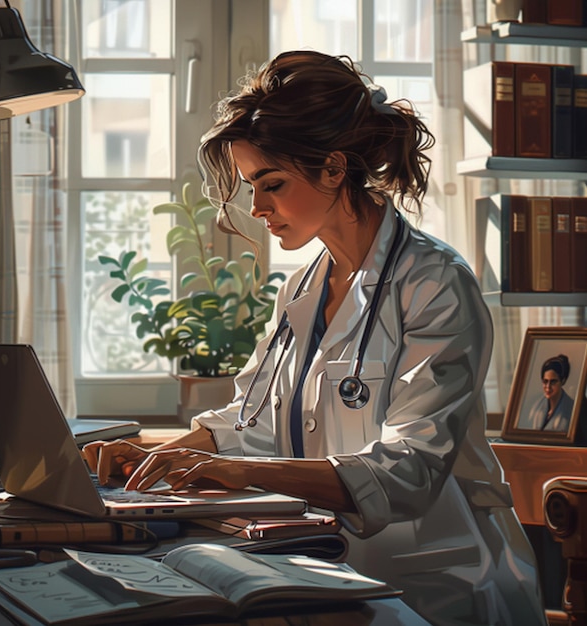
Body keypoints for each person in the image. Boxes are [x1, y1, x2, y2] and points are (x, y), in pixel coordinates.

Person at [85, 51, 547, 626]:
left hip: (437, 583)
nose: (257, 209)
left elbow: (408, 471)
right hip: (325, 569)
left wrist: (241, 473)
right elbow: (248, 421)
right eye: (252, 186)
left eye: (271, 184)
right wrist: (154, 459)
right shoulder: (301, 289)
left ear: (333, 168)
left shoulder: (436, 285)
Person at [522, 354, 574, 431]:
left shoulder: (571, 409)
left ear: (562, 381)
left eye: (553, 382)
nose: (548, 387)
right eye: (545, 381)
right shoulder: (535, 406)